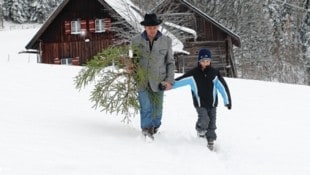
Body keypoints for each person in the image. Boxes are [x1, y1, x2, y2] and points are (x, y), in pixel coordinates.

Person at [174, 48, 231, 150]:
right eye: (203, 61)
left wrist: (227, 101)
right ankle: (200, 130)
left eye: (208, 61)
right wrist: (167, 85)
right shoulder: (193, 74)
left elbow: (223, 87)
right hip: (200, 104)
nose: (206, 63)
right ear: (199, 61)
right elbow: (179, 81)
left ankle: (210, 140)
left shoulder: (214, 73)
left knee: (212, 123)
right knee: (205, 119)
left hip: (213, 104)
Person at [130, 13, 175, 139]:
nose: (152, 30)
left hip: (159, 80)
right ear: (145, 27)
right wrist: (129, 67)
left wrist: (169, 80)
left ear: (158, 27)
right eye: (149, 28)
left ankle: (155, 127)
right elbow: (132, 60)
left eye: (154, 27)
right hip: (142, 79)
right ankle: (146, 129)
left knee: (157, 108)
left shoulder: (166, 41)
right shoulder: (135, 40)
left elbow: (170, 62)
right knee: (146, 106)